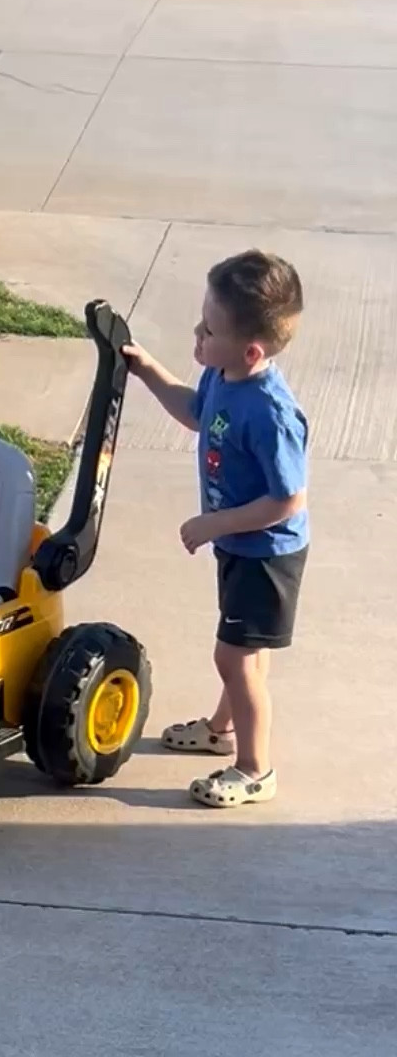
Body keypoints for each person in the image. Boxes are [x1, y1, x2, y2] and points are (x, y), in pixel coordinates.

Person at [124, 249, 308, 809]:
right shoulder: (223, 375)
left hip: (267, 553)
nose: (197, 335)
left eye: (209, 329)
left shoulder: (271, 414)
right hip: (239, 544)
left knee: (234, 656)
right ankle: (222, 729)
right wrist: (147, 369)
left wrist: (212, 523)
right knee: (247, 650)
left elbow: (288, 499)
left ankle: (255, 768)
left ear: (252, 349)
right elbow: (194, 411)